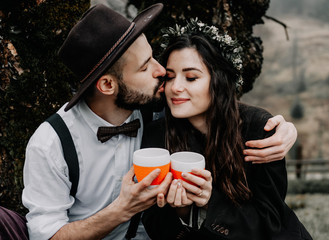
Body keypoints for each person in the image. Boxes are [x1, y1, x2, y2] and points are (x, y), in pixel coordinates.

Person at [0, 4, 296, 240]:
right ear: (107, 85)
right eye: (145, 67)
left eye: (155, 58)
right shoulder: (50, 143)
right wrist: (122, 210)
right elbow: (47, 236)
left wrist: (283, 129)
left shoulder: (158, 111)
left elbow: (213, 104)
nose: (161, 72)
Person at [141, 19, 312, 239]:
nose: (176, 87)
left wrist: (210, 202)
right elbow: (154, 223)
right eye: (171, 77)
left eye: (191, 77)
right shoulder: (157, 135)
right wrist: (181, 212)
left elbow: (272, 219)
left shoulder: (258, 129)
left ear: (219, 81)